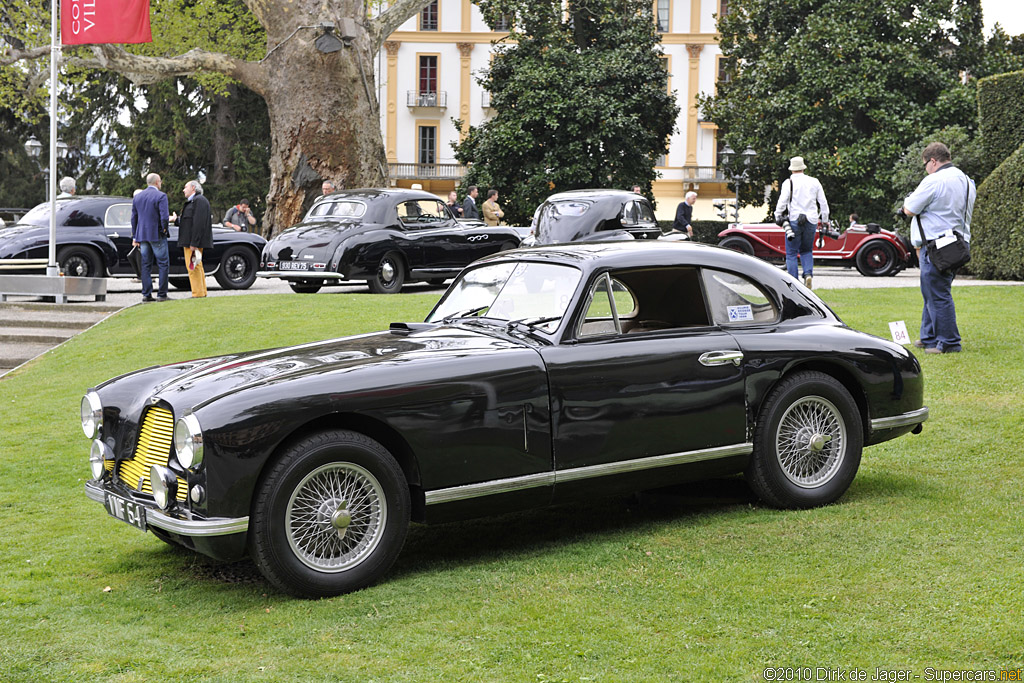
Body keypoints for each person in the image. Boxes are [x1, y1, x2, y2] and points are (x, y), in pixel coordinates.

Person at [901, 142, 975, 354]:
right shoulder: (967, 181)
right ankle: (928, 337)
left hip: (937, 246)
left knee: (938, 293)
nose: (926, 168)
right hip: (959, 244)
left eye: (926, 164)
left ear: (933, 161)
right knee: (932, 291)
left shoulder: (934, 180)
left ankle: (949, 343)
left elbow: (909, 209)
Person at [773, 156, 829, 289]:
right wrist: (825, 220)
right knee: (806, 250)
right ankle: (808, 274)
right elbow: (823, 203)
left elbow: (782, 201)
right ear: (803, 168)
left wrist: (777, 215)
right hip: (811, 220)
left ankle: (794, 283)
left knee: (791, 253)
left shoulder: (788, 183)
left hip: (794, 220)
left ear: (792, 169)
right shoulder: (814, 181)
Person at [131, 173, 170, 302]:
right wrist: (164, 229)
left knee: (145, 265)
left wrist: (135, 236)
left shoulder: (138, 197)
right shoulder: (161, 196)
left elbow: (134, 218)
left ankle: (146, 294)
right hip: (156, 234)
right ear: (157, 182)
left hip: (142, 235)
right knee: (163, 263)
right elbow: (164, 217)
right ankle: (162, 294)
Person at [179, 180, 214, 298]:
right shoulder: (194, 201)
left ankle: (197, 294)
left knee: (193, 266)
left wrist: (194, 242)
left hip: (192, 242)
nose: (183, 190)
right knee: (197, 265)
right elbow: (189, 221)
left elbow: (199, 223)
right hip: (190, 241)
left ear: (193, 188)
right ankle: (201, 292)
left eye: (185, 187)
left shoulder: (200, 201)